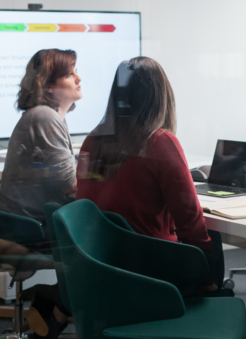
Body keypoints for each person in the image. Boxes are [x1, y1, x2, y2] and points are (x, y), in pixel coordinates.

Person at [77, 57, 226, 294]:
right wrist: (207, 279)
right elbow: (189, 220)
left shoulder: (93, 140)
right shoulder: (159, 142)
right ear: (161, 96)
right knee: (213, 242)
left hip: (102, 263)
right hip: (152, 270)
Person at [0, 48, 81, 339]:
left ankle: (55, 308)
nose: (78, 78)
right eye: (70, 74)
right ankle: (58, 303)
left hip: (26, 224)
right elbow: (72, 185)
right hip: (24, 231)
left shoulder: (49, 117)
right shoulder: (44, 117)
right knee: (108, 237)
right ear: (49, 85)